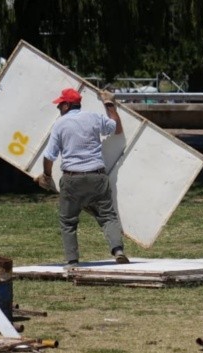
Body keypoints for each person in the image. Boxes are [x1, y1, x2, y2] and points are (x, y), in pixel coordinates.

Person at [34, 87, 129, 270]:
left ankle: (72, 262)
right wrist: (109, 104)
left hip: (72, 179)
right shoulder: (93, 118)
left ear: (68, 105)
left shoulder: (60, 124)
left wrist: (46, 175)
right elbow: (116, 127)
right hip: (97, 176)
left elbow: (49, 155)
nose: (58, 107)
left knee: (68, 221)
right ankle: (118, 251)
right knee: (107, 216)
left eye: (60, 104)